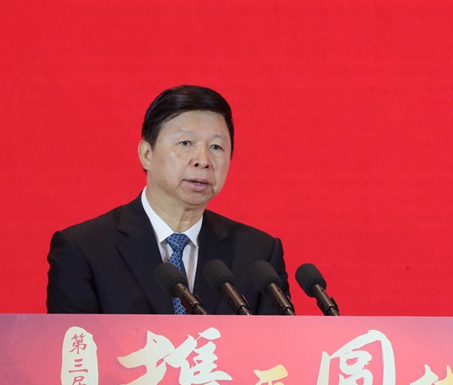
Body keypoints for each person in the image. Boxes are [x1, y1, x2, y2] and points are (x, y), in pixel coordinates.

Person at [47, 85, 288, 314]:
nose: (203, 160)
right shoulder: (84, 250)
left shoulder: (258, 255)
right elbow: (71, 342)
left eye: (216, 147)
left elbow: (278, 342)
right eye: (185, 143)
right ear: (146, 154)